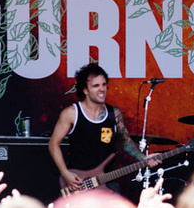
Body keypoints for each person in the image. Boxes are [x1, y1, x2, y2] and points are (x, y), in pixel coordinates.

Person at [48, 63, 159, 194]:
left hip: (107, 181)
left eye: (104, 84)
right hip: (79, 182)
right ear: (85, 90)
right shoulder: (72, 113)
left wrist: (142, 158)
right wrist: (65, 173)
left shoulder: (114, 114)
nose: (102, 89)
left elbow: (125, 141)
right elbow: (53, 144)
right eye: (96, 86)